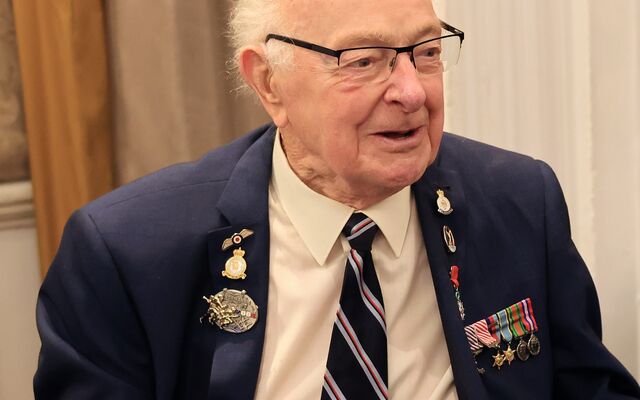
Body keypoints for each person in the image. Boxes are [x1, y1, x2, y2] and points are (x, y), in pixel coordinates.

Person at [34, 0, 640, 399]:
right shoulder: (128, 250)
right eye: (364, 61)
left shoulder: (517, 200)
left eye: (426, 53)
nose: (410, 91)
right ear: (269, 82)